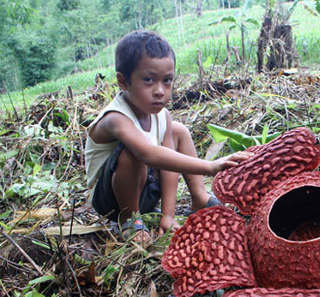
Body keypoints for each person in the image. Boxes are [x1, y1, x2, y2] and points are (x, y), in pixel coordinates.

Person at [85, 30, 250, 244]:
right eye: (149, 80)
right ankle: (130, 221)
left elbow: (168, 165)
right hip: (110, 201)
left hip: (146, 191)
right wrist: (210, 166)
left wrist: (168, 215)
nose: (160, 91)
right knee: (134, 152)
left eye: (167, 81)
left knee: (178, 130)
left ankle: (199, 196)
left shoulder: (163, 116)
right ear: (123, 82)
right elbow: (148, 153)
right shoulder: (115, 118)